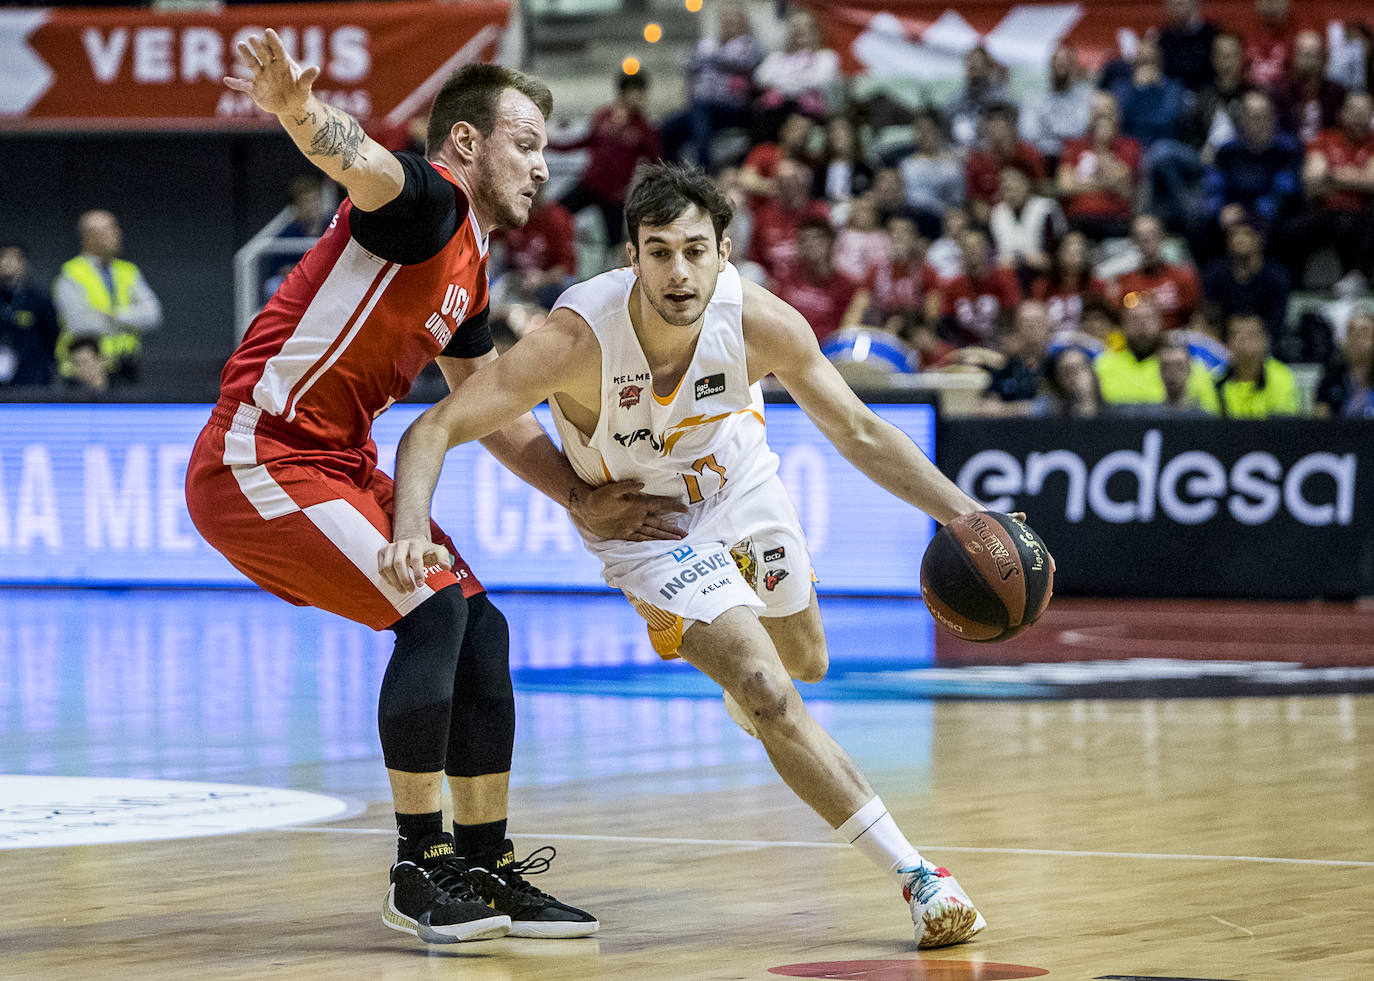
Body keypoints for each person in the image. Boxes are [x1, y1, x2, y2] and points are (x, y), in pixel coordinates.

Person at [383, 162, 1007, 950]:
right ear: (630, 258)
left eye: (694, 250)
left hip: (737, 480)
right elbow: (430, 429)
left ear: (725, 252)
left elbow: (860, 431)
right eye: (659, 251)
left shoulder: (763, 324)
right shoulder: (575, 340)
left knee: (806, 662)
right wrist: (414, 526)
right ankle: (919, 877)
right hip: (645, 527)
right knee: (769, 690)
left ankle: (753, 689)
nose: (678, 271)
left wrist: (965, 514)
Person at [186, 30, 683, 947]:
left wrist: (580, 497)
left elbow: (490, 411)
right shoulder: (431, 202)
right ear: (466, 143)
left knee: (481, 625)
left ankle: (485, 866)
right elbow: (364, 164)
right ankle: (418, 864)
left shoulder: (470, 266)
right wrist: (298, 111)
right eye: (526, 141)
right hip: (257, 456)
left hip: (335, 459)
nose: (542, 163)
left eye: (545, 146)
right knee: (434, 611)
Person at [554, 71, 661, 250]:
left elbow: (656, 160)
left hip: (614, 196)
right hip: (590, 184)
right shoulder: (603, 116)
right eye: (637, 92)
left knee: (615, 246)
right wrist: (553, 146)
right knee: (556, 213)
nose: (640, 97)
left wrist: (639, 191)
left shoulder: (643, 128)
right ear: (624, 93)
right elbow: (586, 141)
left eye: (642, 93)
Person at [53, 209, 161, 385]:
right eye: (109, 230)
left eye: (116, 229)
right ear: (89, 237)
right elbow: (80, 324)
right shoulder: (71, 273)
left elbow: (152, 315)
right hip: (85, 371)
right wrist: (131, 319)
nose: (118, 235)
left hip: (126, 367)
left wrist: (113, 316)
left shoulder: (128, 271)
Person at [660, 0, 765, 169]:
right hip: (702, 107)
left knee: (701, 109)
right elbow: (689, 65)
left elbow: (743, 63)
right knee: (665, 128)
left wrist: (709, 58)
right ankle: (672, 174)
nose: (730, 23)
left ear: (744, 22)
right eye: (726, 19)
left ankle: (703, 170)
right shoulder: (708, 44)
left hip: (735, 108)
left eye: (735, 19)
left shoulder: (750, 45)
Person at [1095, 293, 1219, 410]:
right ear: (1122, 325)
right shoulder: (1102, 366)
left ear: (1161, 323)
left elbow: (1209, 416)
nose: (1142, 325)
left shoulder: (1186, 366)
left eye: (1149, 318)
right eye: (1134, 319)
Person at [1113, 213, 1201, 331]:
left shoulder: (1182, 277)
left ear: (1162, 237)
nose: (1146, 240)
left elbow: (1196, 318)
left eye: (1151, 234)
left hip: (1176, 341)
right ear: (1133, 242)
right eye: (1140, 236)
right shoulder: (1124, 282)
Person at [1215, 313, 1301, 417]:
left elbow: (1282, 426)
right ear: (1227, 341)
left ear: (1265, 339)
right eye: (1235, 334)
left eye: (1251, 334)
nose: (1243, 340)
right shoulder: (1216, 379)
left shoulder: (1281, 377)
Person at [0, 243, 60, 388]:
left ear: (24, 263)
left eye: (13, 258)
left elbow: (52, 335)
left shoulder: (39, 300)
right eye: (2, 258)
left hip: (31, 376)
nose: (6, 263)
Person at [1315, 305, 1374, 417]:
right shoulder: (1332, 376)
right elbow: (1320, 422)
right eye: (1351, 331)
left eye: (1364, 332)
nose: (1356, 338)